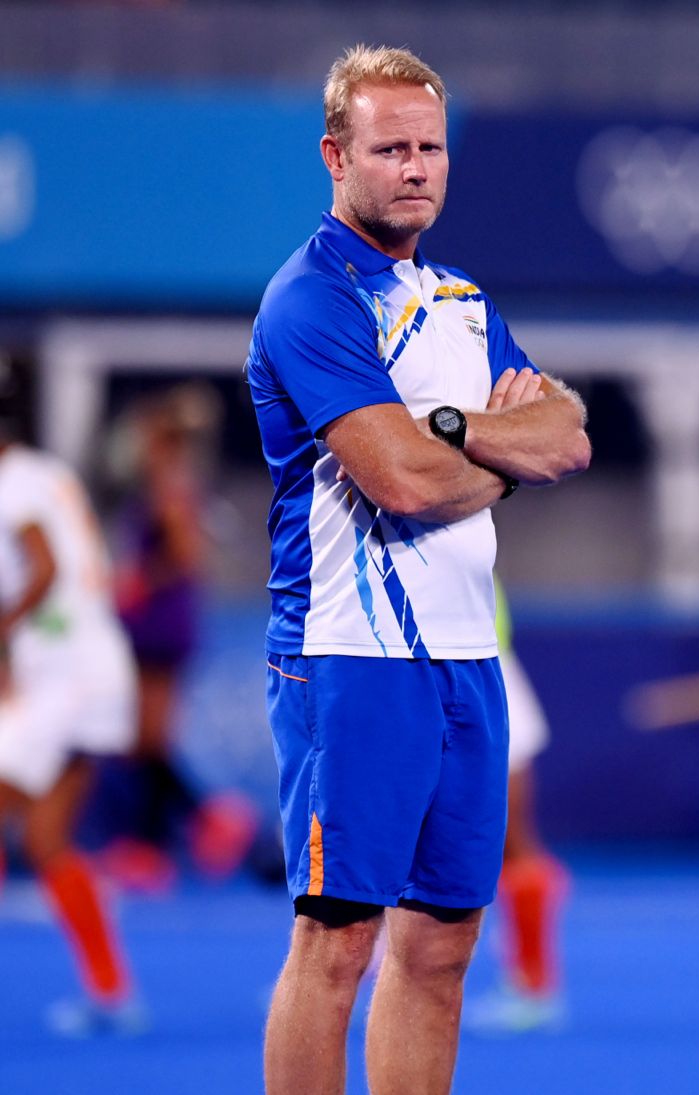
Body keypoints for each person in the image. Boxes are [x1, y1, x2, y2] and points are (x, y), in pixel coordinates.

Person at [244, 44, 589, 1095]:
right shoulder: (310, 300)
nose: (415, 167)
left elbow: (568, 434)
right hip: (349, 658)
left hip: (463, 655)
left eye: (430, 147)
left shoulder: (463, 303)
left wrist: (453, 433)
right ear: (334, 155)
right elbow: (395, 478)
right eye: (389, 148)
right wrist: (497, 445)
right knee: (339, 943)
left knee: (440, 947)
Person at [0, 419, 144, 1035]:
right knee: (47, 839)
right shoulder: (46, 471)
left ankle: (112, 992)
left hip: (68, 678)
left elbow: (46, 565)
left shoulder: (11, 485)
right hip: (94, 667)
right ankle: (111, 993)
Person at [101, 383, 257, 890]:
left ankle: (179, 835)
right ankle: (190, 828)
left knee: (148, 738)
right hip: (158, 621)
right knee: (143, 740)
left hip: (161, 622)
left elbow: (185, 555)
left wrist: (140, 581)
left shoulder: (171, 487)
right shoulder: (164, 484)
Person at [464, 579, 568, 1034]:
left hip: (484, 674)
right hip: (428, 675)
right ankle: (363, 969)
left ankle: (534, 982)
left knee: (513, 842)